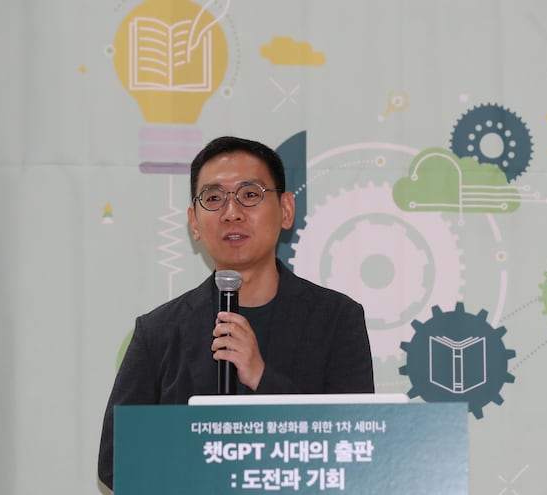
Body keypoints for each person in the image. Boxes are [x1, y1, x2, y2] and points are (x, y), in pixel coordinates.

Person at [97, 136, 375, 490]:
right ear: (194, 222)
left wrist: (261, 377)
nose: (232, 212)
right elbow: (116, 461)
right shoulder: (158, 332)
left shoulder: (337, 319)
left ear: (286, 210)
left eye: (250, 194)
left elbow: (357, 448)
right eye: (214, 199)